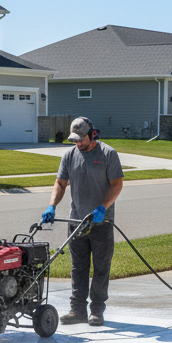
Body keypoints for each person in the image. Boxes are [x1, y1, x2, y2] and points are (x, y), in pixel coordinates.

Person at [41, 117, 124, 326]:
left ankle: (97, 310)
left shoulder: (108, 154)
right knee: (78, 267)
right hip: (76, 221)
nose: (78, 143)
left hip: (101, 222)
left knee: (101, 267)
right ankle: (77, 310)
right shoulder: (69, 156)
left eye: (81, 139)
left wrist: (102, 207)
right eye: (75, 140)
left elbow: (117, 185)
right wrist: (51, 205)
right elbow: (60, 183)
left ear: (92, 134)